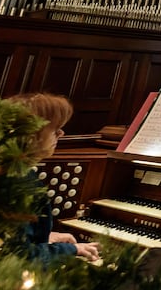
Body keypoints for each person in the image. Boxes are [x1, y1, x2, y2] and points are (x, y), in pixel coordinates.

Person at [6, 92, 100, 264]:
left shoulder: (7, 168)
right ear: (33, 135)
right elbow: (19, 256)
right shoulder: (19, 183)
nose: (61, 134)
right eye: (55, 129)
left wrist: (45, 237)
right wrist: (71, 250)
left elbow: (8, 238)